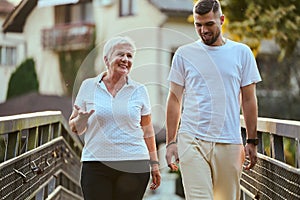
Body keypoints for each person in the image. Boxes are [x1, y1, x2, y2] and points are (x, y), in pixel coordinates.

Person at [165, 0, 262, 199]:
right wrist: (170, 142)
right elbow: (174, 99)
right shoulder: (184, 54)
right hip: (192, 139)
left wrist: (252, 141)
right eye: (198, 25)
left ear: (221, 20)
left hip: (229, 141)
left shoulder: (242, 53)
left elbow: (249, 99)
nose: (203, 30)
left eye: (209, 24)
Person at [69, 36, 161, 200]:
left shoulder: (139, 90)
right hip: (96, 164)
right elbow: (75, 127)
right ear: (106, 59)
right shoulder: (88, 86)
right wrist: (81, 120)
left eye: (129, 56)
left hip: (134, 164)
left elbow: (148, 130)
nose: (125, 59)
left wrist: (154, 164)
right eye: (120, 54)